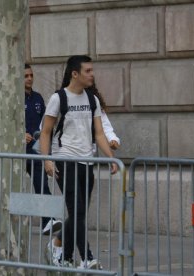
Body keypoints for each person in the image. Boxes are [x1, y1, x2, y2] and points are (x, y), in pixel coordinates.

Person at [40, 55, 118, 268]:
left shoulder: (92, 100)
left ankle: (61, 253)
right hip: (64, 160)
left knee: (78, 213)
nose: (92, 75)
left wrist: (111, 158)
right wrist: (47, 160)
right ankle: (87, 257)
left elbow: (99, 133)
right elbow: (45, 132)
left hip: (86, 161)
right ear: (75, 73)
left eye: (92, 70)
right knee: (78, 211)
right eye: (88, 71)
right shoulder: (59, 98)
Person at [24, 64, 62, 235]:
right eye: (26, 76)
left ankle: (48, 220)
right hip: (16, 150)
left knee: (41, 181)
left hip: (36, 149)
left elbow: (46, 124)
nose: (30, 78)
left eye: (31, 75)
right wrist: (19, 134)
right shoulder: (14, 98)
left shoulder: (38, 98)